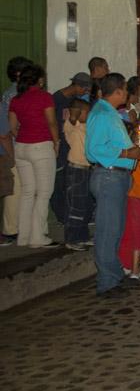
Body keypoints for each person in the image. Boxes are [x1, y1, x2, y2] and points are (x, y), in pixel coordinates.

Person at [86, 73, 140, 296]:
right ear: (118, 91)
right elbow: (93, 149)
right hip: (108, 176)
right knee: (108, 230)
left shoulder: (111, 113)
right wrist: (127, 152)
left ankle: (114, 275)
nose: (127, 93)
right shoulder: (101, 114)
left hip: (117, 175)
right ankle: (107, 281)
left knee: (115, 229)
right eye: (125, 89)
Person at [8, 64, 59, 248]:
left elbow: (13, 128)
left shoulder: (16, 99)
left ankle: (24, 236)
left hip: (21, 147)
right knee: (44, 193)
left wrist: (24, 135)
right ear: (39, 79)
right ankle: (38, 238)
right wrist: (56, 142)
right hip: (41, 146)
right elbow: (52, 122)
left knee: (28, 193)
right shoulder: (44, 97)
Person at [49, 72, 92, 224]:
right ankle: (62, 216)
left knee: (71, 185)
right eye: (84, 89)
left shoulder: (75, 101)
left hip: (72, 147)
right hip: (60, 145)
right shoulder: (57, 99)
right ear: (77, 85)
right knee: (59, 183)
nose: (85, 93)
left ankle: (71, 215)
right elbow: (52, 123)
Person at [1, 56, 33, 246]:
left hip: (16, 144)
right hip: (13, 145)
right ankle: (11, 229)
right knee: (15, 189)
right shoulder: (14, 94)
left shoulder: (12, 93)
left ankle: (18, 227)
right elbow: (7, 128)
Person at [118, 109, 140, 278]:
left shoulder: (132, 144)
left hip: (137, 193)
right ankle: (139, 267)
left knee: (139, 230)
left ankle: (138, 268)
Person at [63, 99, 93, 250]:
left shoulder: (88, 126)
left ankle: (82, 235)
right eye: (86, 111)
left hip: (87, 169)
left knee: (86, 205)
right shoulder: (72, 125)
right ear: (78, 112)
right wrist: (73, 114)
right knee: (76, 205)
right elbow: (72, 120)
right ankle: (72, 238)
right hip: (76, 170)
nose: (89, 114)